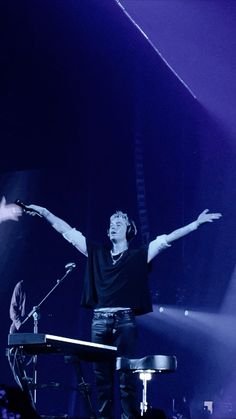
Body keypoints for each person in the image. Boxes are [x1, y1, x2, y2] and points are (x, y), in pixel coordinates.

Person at [24, 203, 222, 419]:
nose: (113, 227)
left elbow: (168, 239)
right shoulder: (97, 253)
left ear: (128, 229)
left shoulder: (139, 255)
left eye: (119, 223)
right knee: (102, 381)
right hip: (99, 322)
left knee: (126, 379)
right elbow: (67, 231)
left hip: (125, 322)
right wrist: (44, 212)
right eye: (111, 224)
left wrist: (195, 224)